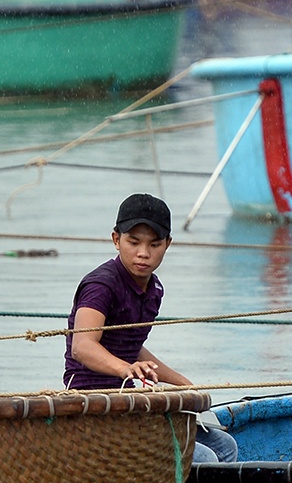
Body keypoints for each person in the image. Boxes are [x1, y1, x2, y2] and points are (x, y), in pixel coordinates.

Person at [63, 192, 239, 465]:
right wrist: (125, 369)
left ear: (167, 244)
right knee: (205, 457)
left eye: (154, 244)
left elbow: (130, 346)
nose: (143, 253)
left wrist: (182, 382)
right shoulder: (101, 286)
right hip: (93, 404)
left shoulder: (154, 289)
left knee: (225, 446)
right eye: (133, 242)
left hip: (129, 400)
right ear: (116, 240)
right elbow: (82, 346)